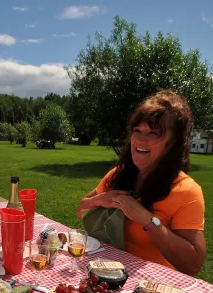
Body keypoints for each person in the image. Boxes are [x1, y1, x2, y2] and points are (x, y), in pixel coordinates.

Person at [76, 90, 206, 275]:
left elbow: (192, 264)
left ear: (174, 143)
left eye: (153, 133)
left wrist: (148, 220)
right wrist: (101, 199)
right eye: (137, 130)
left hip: (152, 284)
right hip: (106, 273)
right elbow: (81, 210)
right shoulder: (119, 174)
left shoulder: (186, 191)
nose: (139, 139)